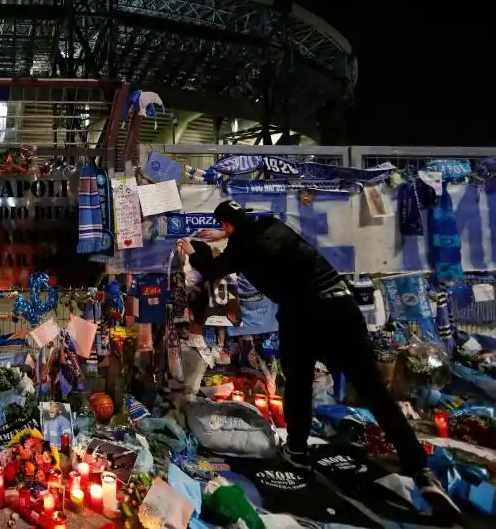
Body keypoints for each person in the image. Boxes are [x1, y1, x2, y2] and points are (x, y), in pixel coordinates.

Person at [176, 200, 460, 518]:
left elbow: (213, 268)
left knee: (299, 383)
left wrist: (194, 249)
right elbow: (246, 235)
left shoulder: (240, 250)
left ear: (229, 228)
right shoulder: (273, 225)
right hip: (341, 302)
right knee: (374, 390)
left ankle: (296, 450)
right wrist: (225, 234)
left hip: (304, 312)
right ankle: (419, 468)